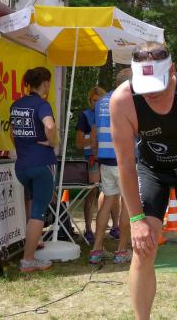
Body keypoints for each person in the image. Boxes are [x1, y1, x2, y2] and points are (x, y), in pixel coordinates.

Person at [111, 43, 177, 320]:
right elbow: (125, 164)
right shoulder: (122, 100)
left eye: (157, 85)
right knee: (143, 246)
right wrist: (136, 220)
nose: (152, 94)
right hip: (150, 170)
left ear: (172, 70)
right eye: (145, 87)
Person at [10, 67, 56, 274]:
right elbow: (50, 126)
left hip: (22, 165)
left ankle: (34, 242)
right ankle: (28, 260)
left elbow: (12, 133)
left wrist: (23, 147)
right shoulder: (42, 104)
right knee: (39, 211)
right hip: (41, 164)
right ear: (45, 82)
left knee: (31, 202)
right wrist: (51, 142)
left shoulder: (17, 104)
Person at [89, 69, 133, 264]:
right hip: (123, 158)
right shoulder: (129, 99)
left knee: (107, 200)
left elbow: (95, 132)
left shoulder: (100, 102)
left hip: (105, 157)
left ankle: (96, 249)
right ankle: (121, 250)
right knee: (128, 203)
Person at [76, 86, 119, 244]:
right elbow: (79, 142)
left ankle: (115, 227)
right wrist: (93, 141)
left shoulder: (112, 111)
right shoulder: (85, 116)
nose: (96, 103)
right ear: (90, 101)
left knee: (114, 194)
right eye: (94, 101)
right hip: (92, 159)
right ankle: (88, 229)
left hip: (109, 159)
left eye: (99, 100)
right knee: (92, 192)